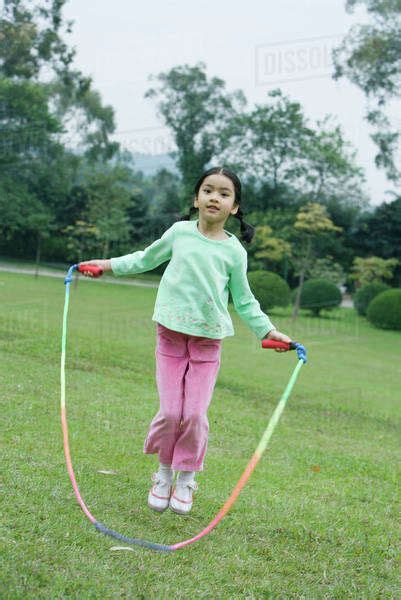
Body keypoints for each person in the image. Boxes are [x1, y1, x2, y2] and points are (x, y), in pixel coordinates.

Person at [79, 166, 292, 516]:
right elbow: (144, 260)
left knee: (193, 414)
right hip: (170, 335)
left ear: (234, 207)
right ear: (196, 199)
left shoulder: (234, 252)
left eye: (224, 193)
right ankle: (163, 473)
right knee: (170, 412)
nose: (215, 197)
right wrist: (107, 265)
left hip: (207, 343)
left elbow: (244, 300)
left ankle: (187, 476)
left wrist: (268, 331)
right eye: (208, 190)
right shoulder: (179, 233)